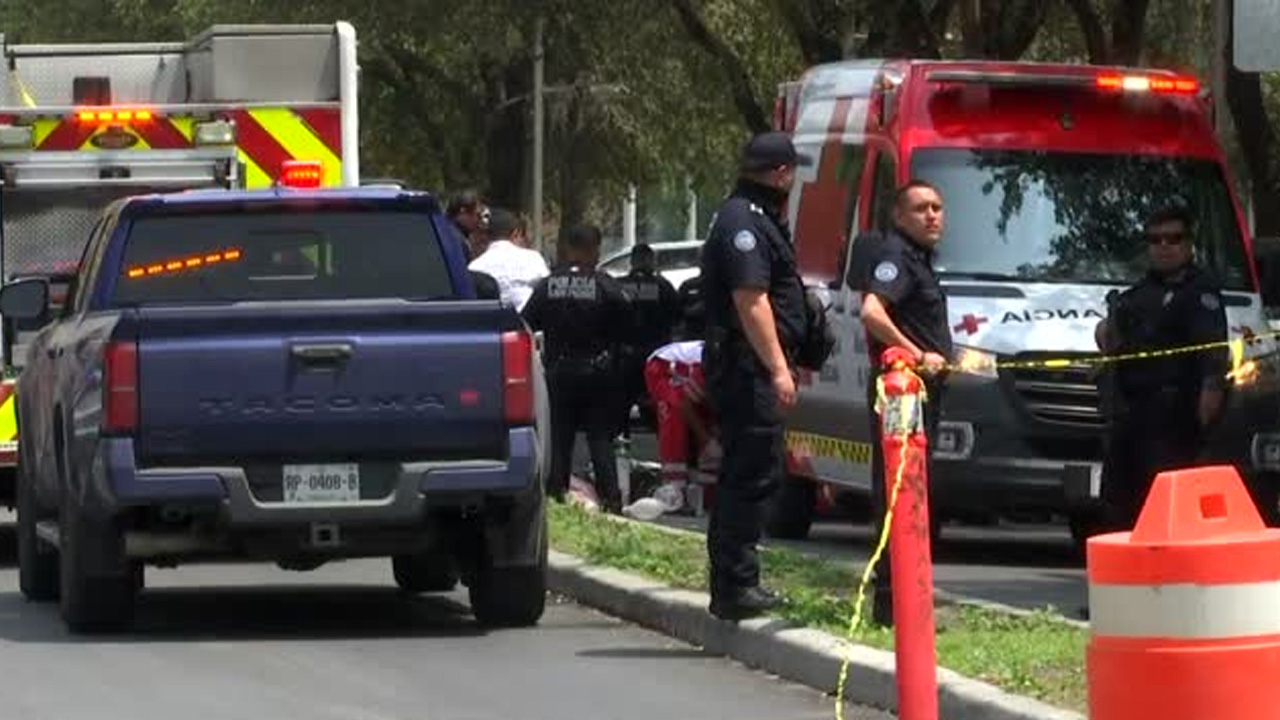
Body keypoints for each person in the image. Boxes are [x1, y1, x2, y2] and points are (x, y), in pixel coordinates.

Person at [700, 131, 811, 621]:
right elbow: (752, 299)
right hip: (749, 367)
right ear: (781, 173)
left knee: (747, 473)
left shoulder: (754, 217)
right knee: (750, 475)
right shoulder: (743, 222)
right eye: (792, 173)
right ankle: (736, 586)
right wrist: (779, 368)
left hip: (750, 364)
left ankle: (735, 583)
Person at [1094, 205, 1229, 534]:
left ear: (1189, 244)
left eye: (1174, 238)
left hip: (1173, 416)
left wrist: (1210, 396)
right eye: (1156, 239)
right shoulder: (1138, 294)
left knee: (1165, 507)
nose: (1164, 246)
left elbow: (1212, 353)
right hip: (1131, 412)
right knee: (1120, 503)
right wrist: (1105, 330)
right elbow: (1111, 341)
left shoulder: (1200, 293)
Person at [857, 179, 952, 628]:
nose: (932, 216)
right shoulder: (897, 258)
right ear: (898, 217)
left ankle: (907, 601)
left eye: (937, 207)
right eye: (920, 209)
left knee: (913, 488)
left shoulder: (921, 260)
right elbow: (872, 312)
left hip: (922, 393)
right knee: (899, 489)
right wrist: (915, 354)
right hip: (902, 392)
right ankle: (892, 606)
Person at [522, 224, 632, 513]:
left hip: (559, 372)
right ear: (593, 250)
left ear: (569, 249)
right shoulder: (607, 285)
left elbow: (526, 323)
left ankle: (556, 495)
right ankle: (611, 499)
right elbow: (628, 325)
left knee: (560, 436)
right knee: (599, 438)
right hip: (597, 372)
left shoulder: (548, 285)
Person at [616, 243, 681, 436]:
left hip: (625, 355)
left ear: (632, 262)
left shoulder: (619, 285)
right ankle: (664, 449)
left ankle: (622, 452)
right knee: (657, 405)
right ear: (651, 261)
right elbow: (677, 318)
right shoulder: (663, 286)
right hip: (655, 355)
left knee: (621, 409)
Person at [468, 208, 549, 311]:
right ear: (515, 233)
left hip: (495, 323)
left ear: (487, 235)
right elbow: (546, 290)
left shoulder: (474, 267)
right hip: (531, 323)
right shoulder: (534, 258)